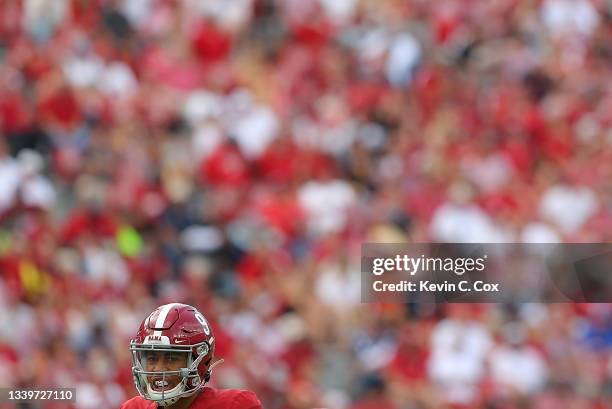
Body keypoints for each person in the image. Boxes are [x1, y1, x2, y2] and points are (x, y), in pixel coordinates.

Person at [121, 303, 263, 409]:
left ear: (201, 361)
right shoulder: (134, 407)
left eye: (171, 358)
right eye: (152, 358)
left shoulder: (235, 405)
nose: (158, 368)